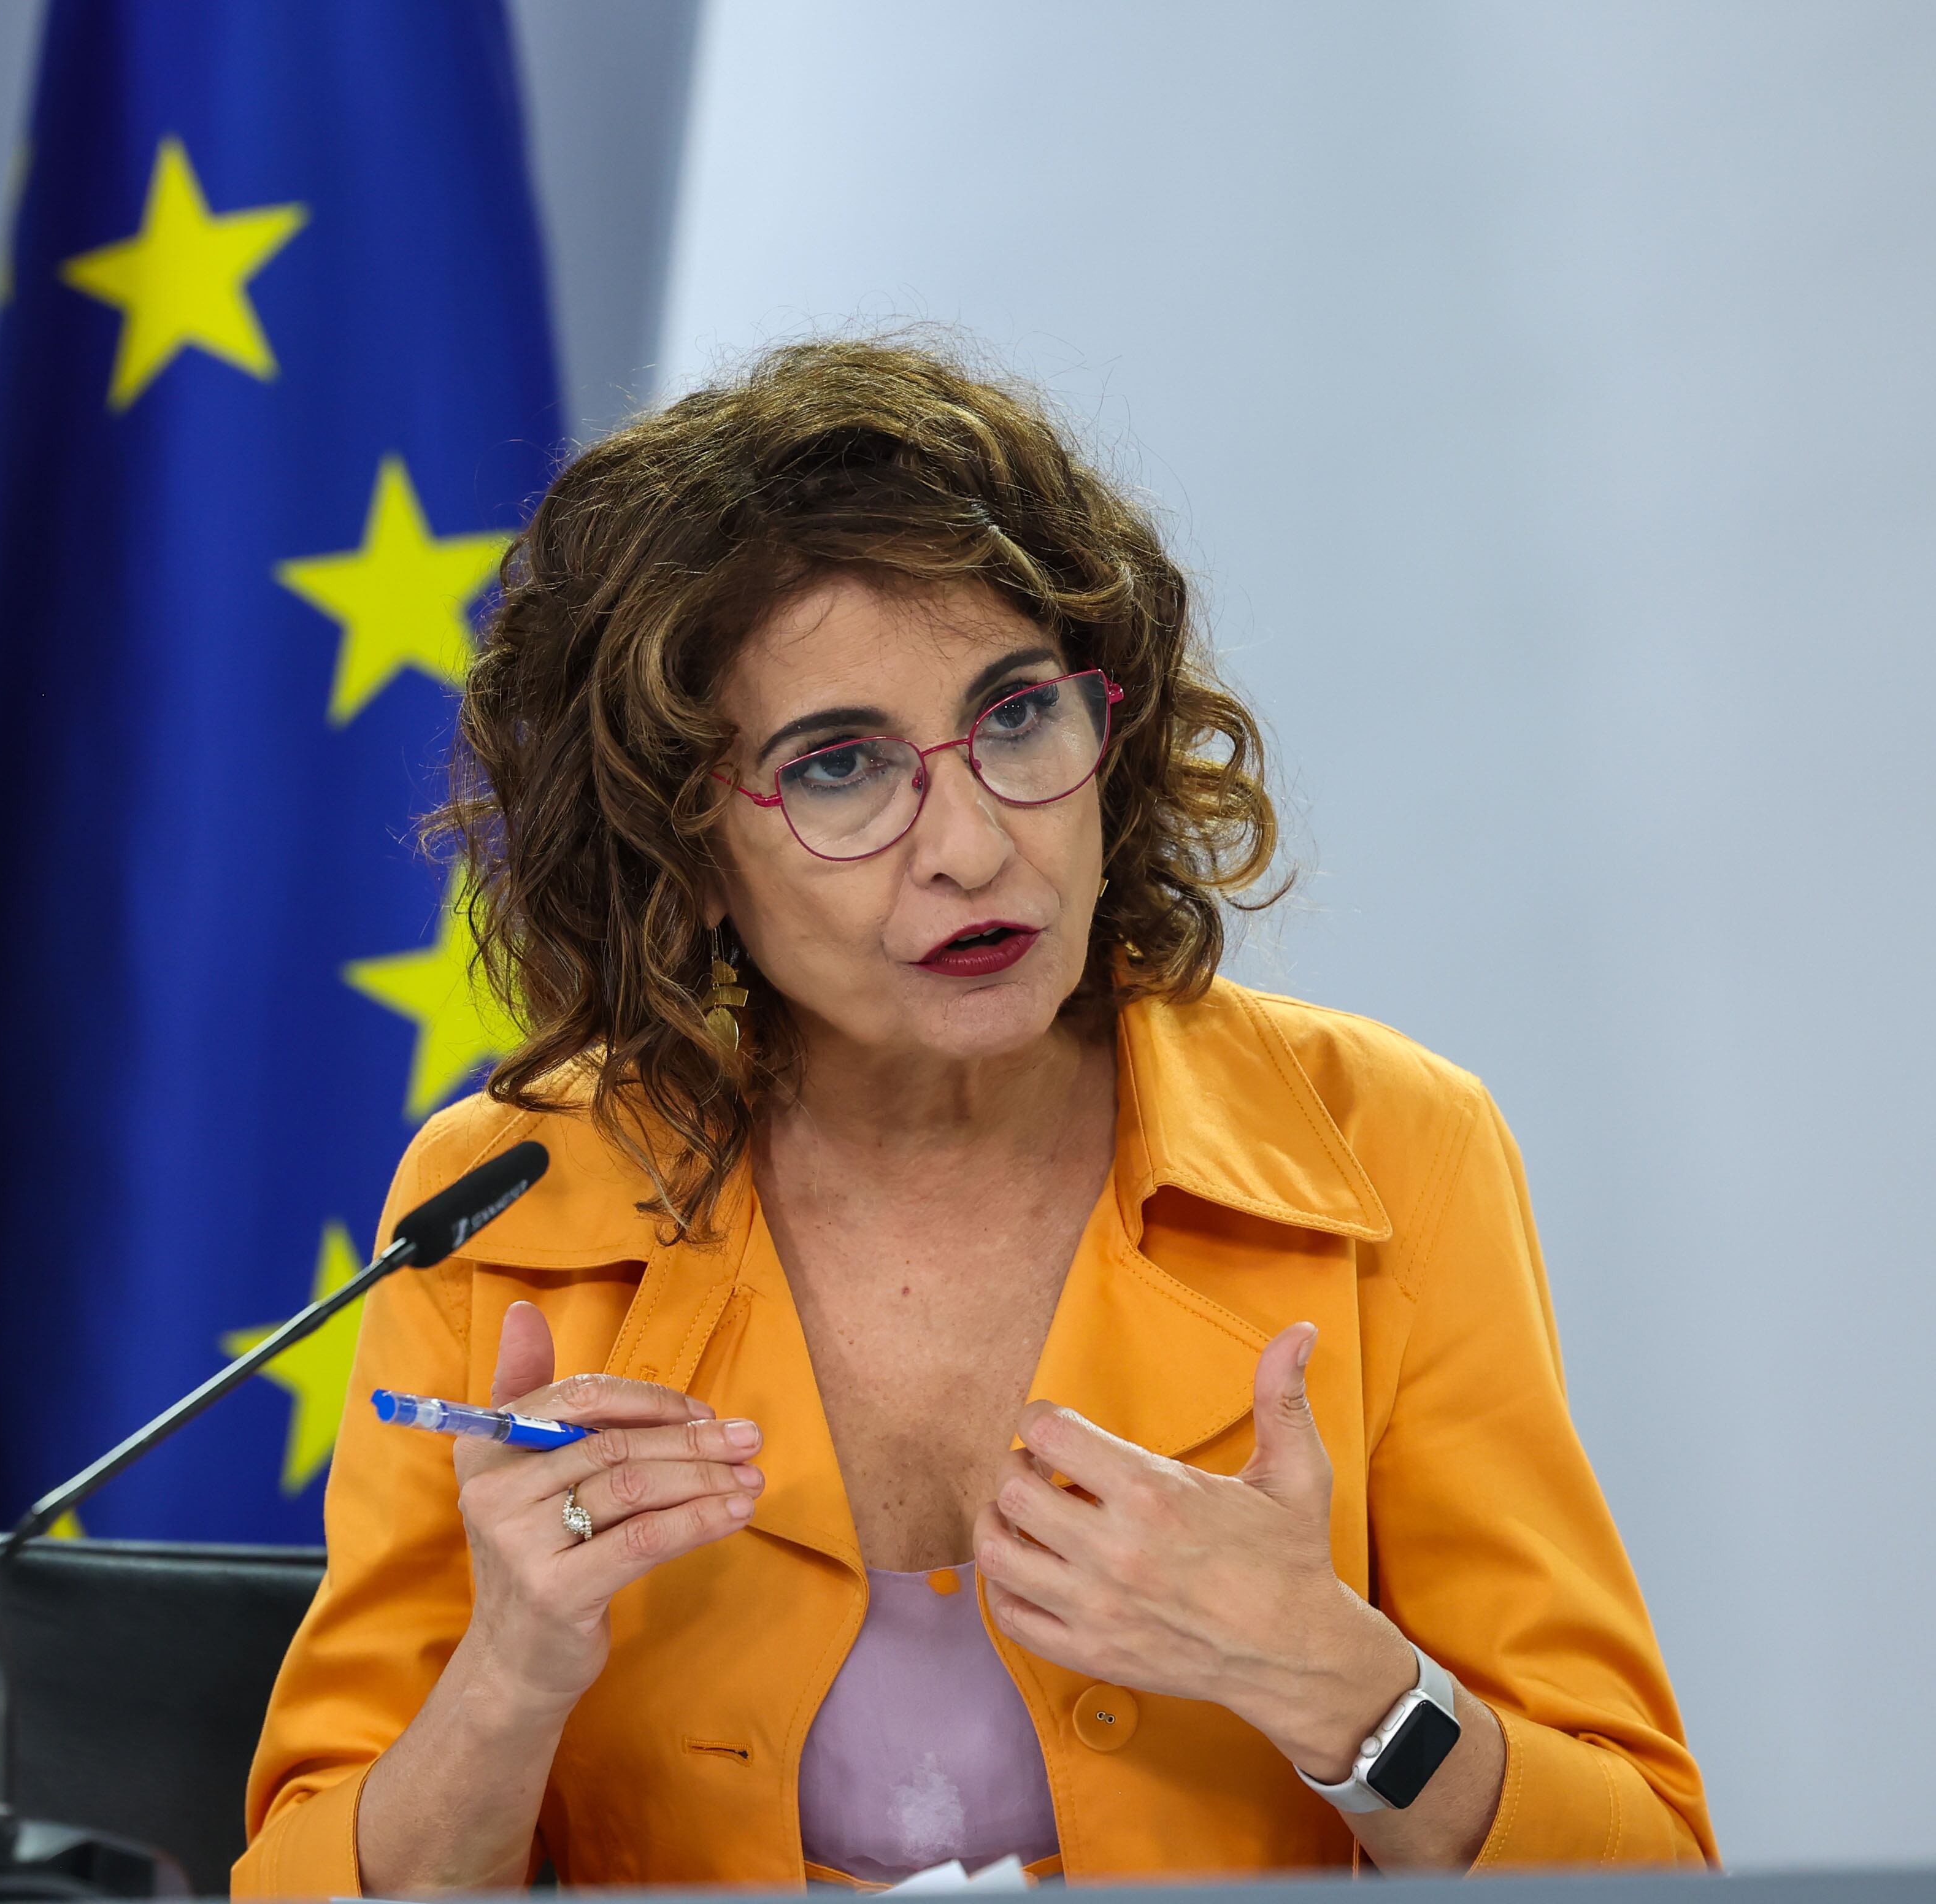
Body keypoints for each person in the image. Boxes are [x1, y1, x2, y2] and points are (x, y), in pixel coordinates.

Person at [234, 339, 1711, 1892]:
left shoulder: (1387, 1144)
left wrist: (1335, 1681)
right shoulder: (508, 1198)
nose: (970, 844)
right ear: (685, 846)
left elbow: (1654, 1870)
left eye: (1017, 719)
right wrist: (515, 1671)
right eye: (842, 766)